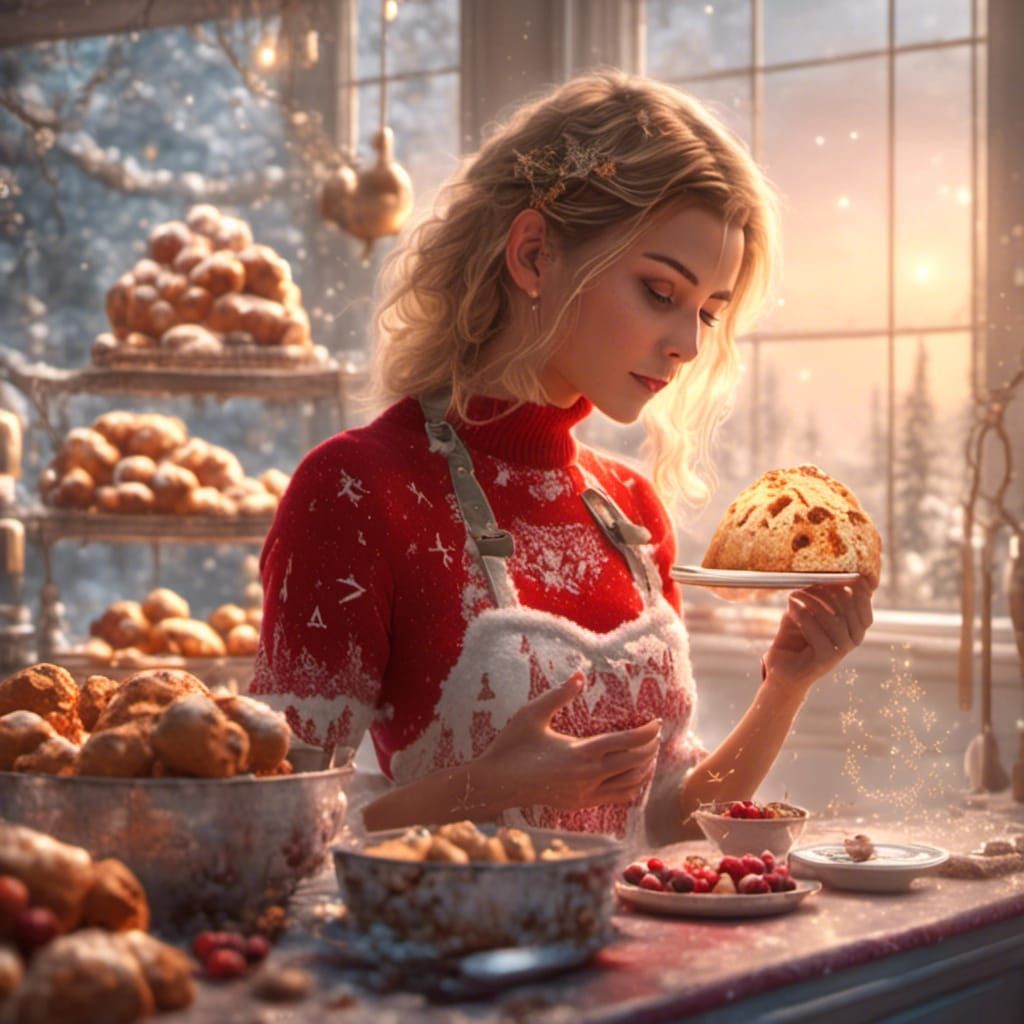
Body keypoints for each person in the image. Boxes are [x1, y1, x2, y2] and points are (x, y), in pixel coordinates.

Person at [251, 69, 875, 847]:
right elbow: (278, 829)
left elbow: (669, 819)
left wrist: (786, 686)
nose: (686, 344)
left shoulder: (630, 511)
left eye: (708, 312)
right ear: (536, 254)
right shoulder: (355, 489)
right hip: (456, 958)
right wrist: (488, 788)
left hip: (638, 964)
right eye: (659, 290)